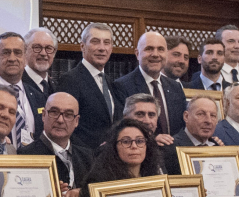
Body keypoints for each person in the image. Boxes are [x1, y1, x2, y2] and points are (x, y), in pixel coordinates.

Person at [57, 22, 122, 151]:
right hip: (84, 157)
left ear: (111, 48)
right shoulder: (70, 80)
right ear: (82, 46)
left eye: (106, 43)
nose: (102, 48)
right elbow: (65, 126)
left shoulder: (111, 83)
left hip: (110, 157)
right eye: (95, 42)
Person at [115, 31, 186, 136]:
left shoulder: (176, 87)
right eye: (149, 49)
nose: (155, 54)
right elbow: (121, 128)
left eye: (160, 49)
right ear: (137, 53)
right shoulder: (121, 86)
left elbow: (182, 127)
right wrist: (153, 140)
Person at [162, 97, 224, 175]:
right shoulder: (170, 148)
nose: (208, 121)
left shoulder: (219, 148)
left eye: (213, 115)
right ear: (186, 116)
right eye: (201, 114)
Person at [23, 28, 59, 99]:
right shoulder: (17, 84)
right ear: (25, 51)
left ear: (54, 53)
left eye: (48, 48)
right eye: (37, 47)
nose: (43, 53)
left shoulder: (58, 87)